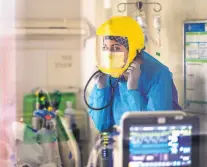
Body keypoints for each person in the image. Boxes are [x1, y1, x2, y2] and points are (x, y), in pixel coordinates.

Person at [87, 16, 182, 132]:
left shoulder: (159, 75)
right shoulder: (108, 73)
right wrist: (101, 87)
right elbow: (101, 126)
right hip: (119, 142)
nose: (109, 54)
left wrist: (132, 89)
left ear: (133, 49)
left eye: (116, 48)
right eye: (105, 47)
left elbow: (153, 129)